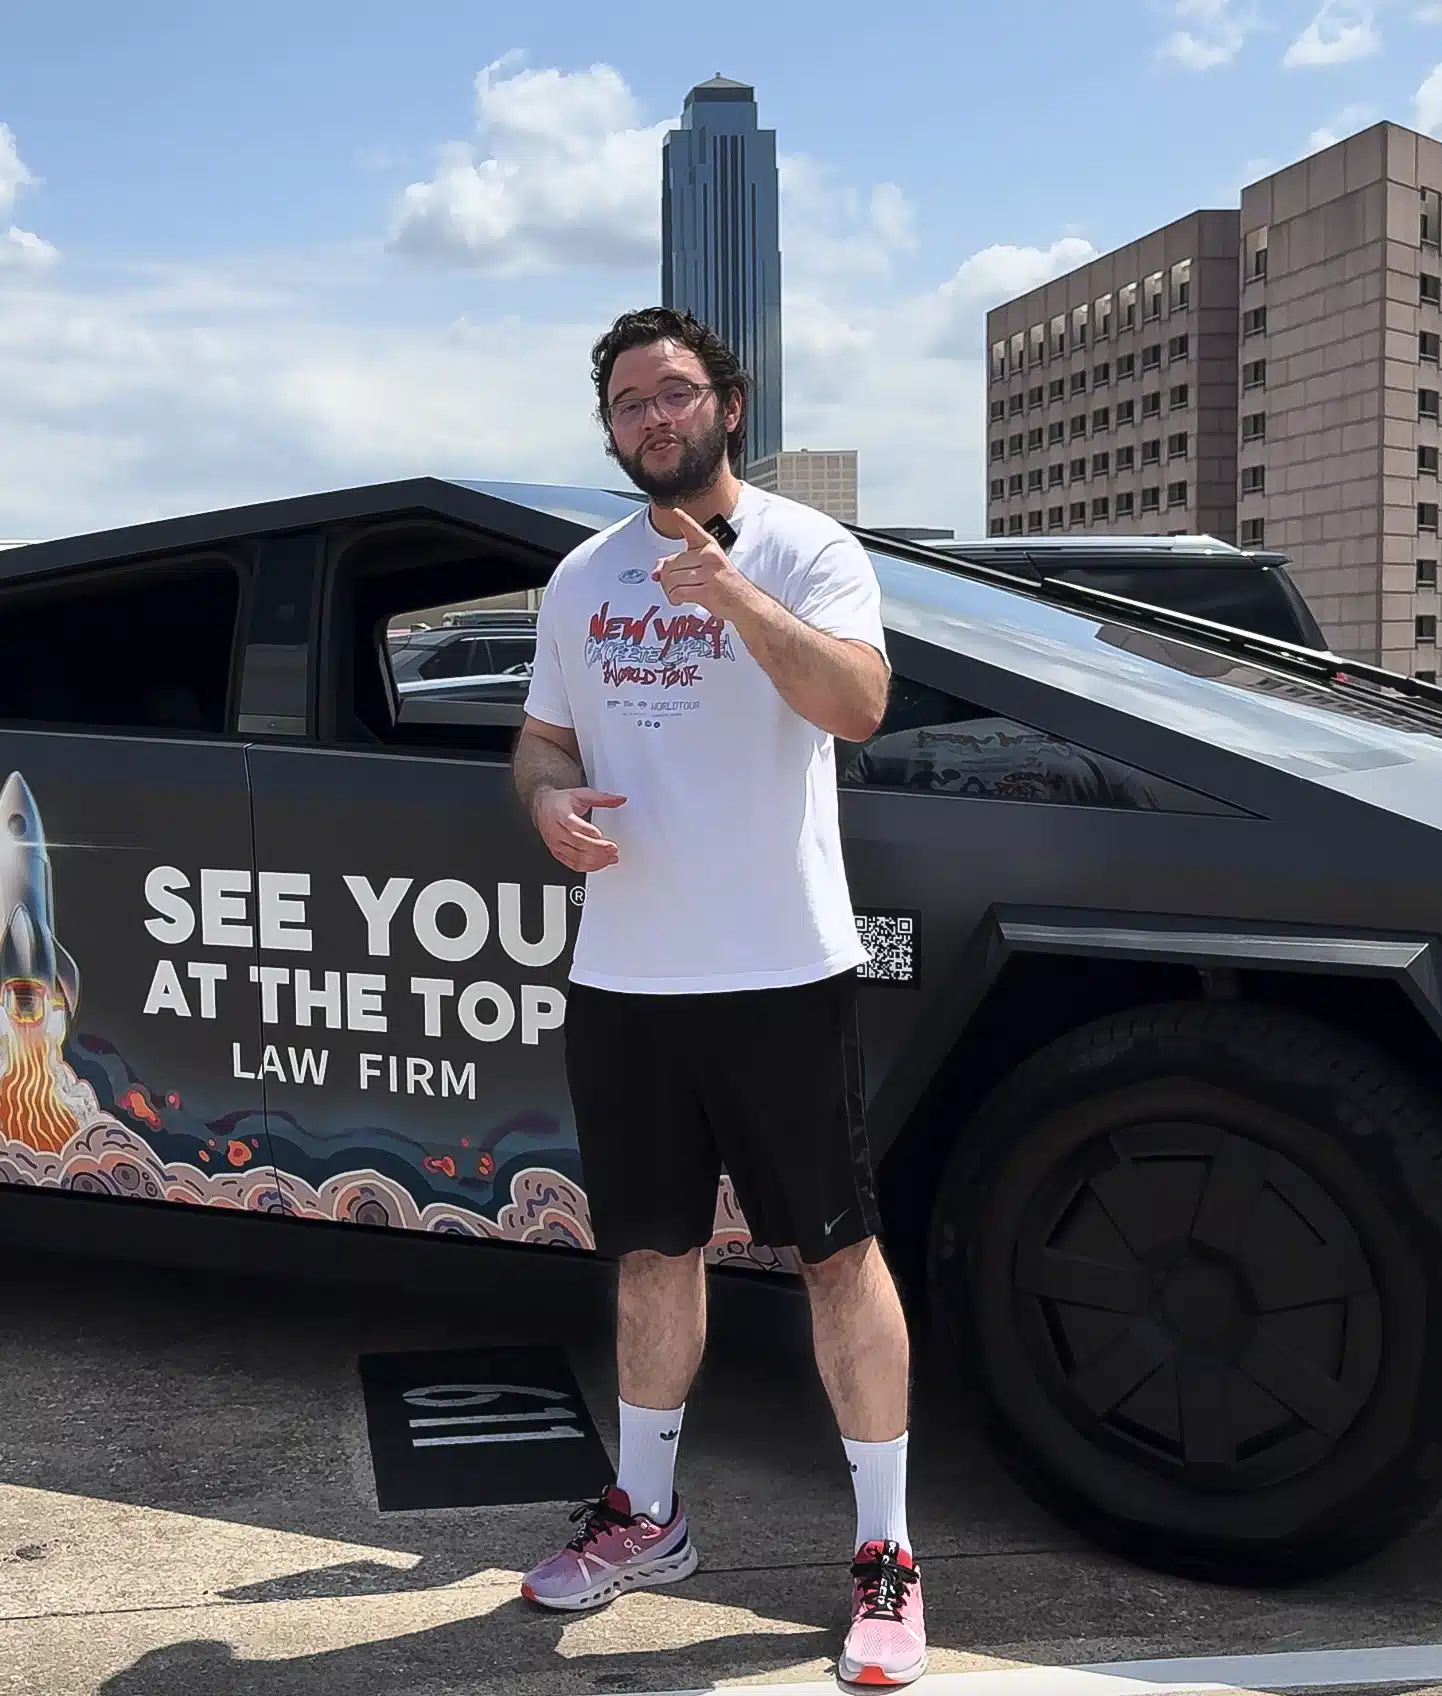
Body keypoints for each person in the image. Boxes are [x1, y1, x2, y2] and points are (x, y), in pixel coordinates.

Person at [513, 307, 926, 1687]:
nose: (651, 420)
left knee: (835, 1254)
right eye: (627, 404)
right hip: (626, 975)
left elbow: (860, 704)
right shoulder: (578, 578)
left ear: (727, 406)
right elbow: (541, 741)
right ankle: (647, 1516)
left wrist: (732, 593)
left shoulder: (808, 550)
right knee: (647, 1253)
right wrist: (548, 802)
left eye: (673, 395)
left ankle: (883, 1554)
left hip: (777, 969)